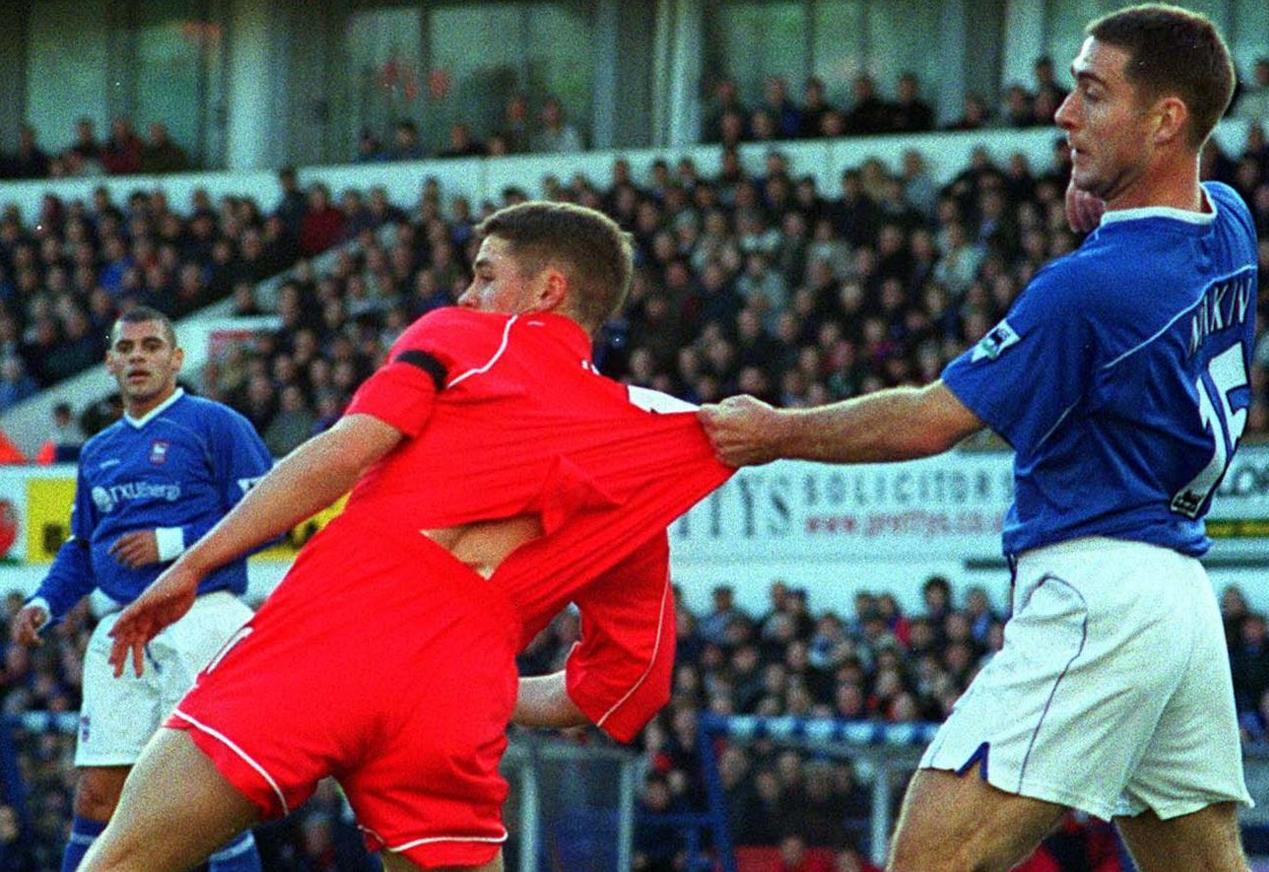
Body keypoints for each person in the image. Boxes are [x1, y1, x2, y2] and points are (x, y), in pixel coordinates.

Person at [700, 5, 1254, 870]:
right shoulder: (1231, 223)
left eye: (1091, 94)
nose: (1064, 113)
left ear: (1166, 119)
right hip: (1181, 594)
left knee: (931, 859)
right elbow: (1189, 195)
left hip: (1098, 592)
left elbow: (930, 421)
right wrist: (1102, 186)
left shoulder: (1086, 291)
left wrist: (777, 432)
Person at [80, 202, 732, 872]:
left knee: (124, 860)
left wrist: (192, 565)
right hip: (456, 690)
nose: (466, 294)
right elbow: (630, 684)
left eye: (483, 275)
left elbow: (342, 453)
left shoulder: (469, 338)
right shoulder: (636, 454)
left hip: (341, 623)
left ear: (547, 292)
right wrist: (489, 687)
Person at [8, 306, 272, 872]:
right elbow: (83, 546)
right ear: (109, 364)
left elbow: (267, 515)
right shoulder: (99, 450)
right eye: (126, 350)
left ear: (176, 358)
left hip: (201, 616)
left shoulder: (216, 425)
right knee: (98, 797)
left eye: (151, 347)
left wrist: (171, 541)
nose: (137, 358)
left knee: (207, 796)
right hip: (124, 626)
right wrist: (44, 603)